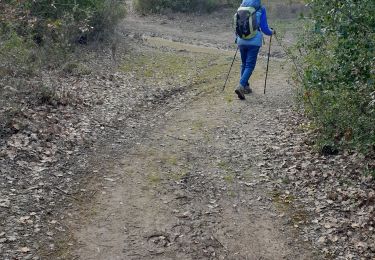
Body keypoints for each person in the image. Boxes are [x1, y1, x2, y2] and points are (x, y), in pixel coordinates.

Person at [235, 0, 275, 100]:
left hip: (241, 40)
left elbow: (237, 24)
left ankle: (246, 86)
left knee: (244, 64)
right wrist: (272, 32)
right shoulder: (261, 8)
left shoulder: (241, 6)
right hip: (254, 41)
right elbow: (265, 28)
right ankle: (240, 85)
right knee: (249, 65)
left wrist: (238, 38)